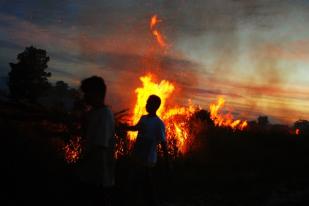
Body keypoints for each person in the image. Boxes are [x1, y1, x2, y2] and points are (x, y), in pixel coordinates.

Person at [124, 94, 169, 206]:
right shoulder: (143, 118)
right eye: (147, 102)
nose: (146, 105)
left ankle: (147, 201)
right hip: (138, 156)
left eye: (149, 103)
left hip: (148, 159)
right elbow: (136, 128)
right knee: (142, 184)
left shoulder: (159, 123)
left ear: (155, 106)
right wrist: (125, 127)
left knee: (142, 183)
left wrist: (167, 162)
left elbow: (163, 142)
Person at [76, 76, 115, 206]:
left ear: (97, 94)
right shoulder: (93, 112)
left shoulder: (105, 115)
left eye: (87, 93)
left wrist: (81, 162)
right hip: (89, 174)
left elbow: (99, 148)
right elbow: (86, 135)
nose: (85, 96)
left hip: (99, 178)